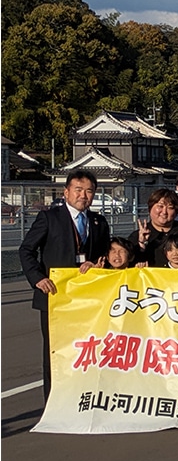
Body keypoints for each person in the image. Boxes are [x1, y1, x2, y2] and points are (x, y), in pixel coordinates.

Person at [19, 169, 111, 400]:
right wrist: (38, 278)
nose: (83, 195)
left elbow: (105, 257)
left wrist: (99, 265)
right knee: (56, 352)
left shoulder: (99, 222)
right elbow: (26, 250)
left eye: (89, 191)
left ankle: (81, 399)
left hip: (87, 300)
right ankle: (53, 403)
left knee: (87, 351)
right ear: (66, 192)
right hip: (55, 296)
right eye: (78, 190)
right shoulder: (49, 218)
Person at [135, 189, 178, 268]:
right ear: (150, 208)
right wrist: (141, 244)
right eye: (160, 206)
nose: (164, 212)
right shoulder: (137, 236)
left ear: (176, 211)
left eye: (170, 207)